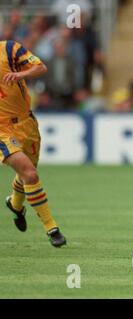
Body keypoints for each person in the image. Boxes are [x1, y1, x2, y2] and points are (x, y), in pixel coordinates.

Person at [0, 40, 66, 247]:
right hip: (2, 130)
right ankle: (51, 228)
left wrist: (21, 74)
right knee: (30, 173)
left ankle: (15, 203)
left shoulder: (9, 49)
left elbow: (41, 67)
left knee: (27, 175)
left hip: (27, 123)